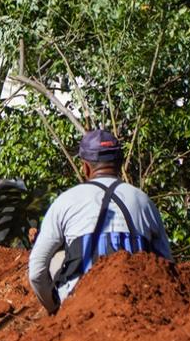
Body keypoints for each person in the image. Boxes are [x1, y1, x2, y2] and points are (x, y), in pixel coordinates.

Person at [28, 128, 173, 314]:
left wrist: (54, 307)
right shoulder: (144, 201)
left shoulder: (65, 201)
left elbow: (36, 270)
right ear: (119, 164)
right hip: (138, 297)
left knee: (57, 259)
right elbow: (167, 263)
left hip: (80, 302)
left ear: (85, 167)